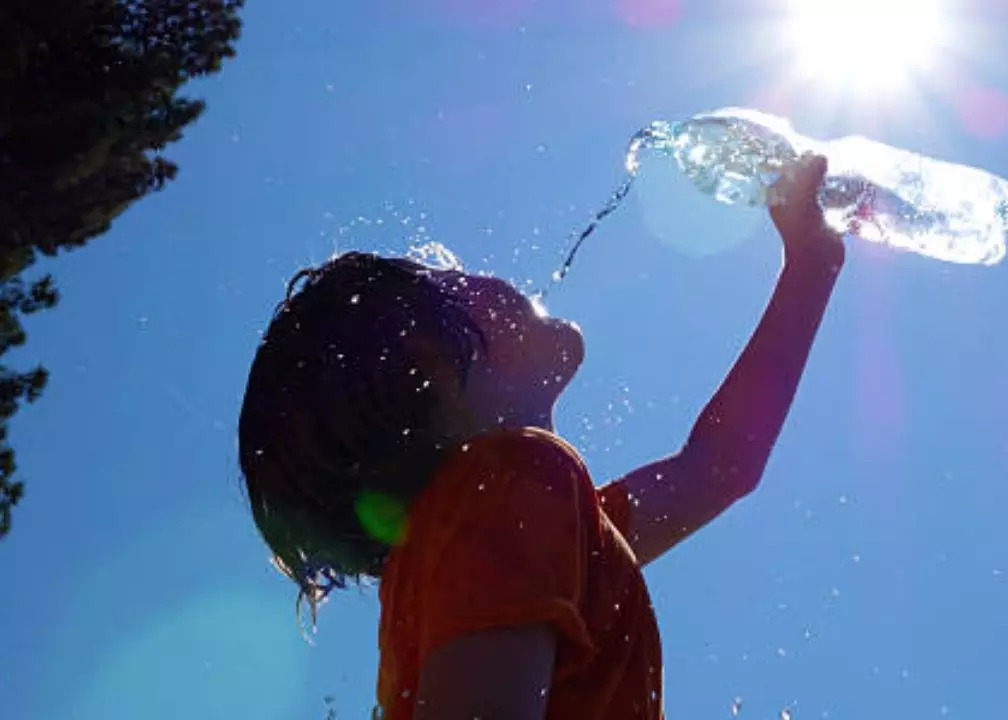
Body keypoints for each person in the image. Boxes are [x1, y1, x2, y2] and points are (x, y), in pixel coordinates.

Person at [237, 154, 845, 720]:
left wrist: (811, 266)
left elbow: (720, 466)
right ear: (431, 369)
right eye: (451, 279)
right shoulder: (507, 486)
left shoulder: (517, 531)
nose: (482, 274)